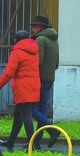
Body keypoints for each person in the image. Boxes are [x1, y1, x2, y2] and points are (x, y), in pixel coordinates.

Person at [0, 30, 41, 152]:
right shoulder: (34, 51)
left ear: (17, 39)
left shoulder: (17, 52)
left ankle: (32, 146)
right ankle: (10, 142)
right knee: (18, 117)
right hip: (34, 85)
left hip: (23, 88)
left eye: (14, 38)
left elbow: (8, 73)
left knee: (26, 117)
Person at [30, 15, 60, 150]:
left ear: (40, 27)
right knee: (41, 111)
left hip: (39, 79)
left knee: (32, 110)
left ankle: (52, 130)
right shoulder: (54, 41)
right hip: (49, 79)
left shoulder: (40, 40)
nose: (32, 29)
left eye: (34, 26)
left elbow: (37, 61)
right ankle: (36, 144)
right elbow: (56, 64)